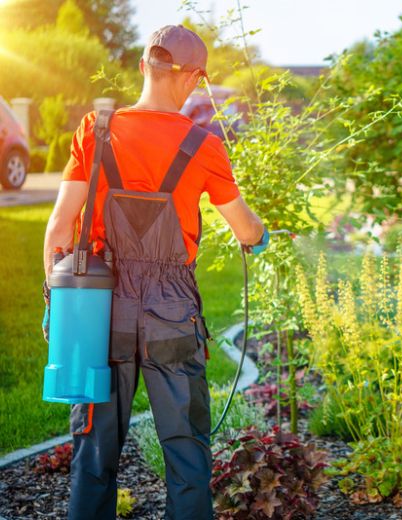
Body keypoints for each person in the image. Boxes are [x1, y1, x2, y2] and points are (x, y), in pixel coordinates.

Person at [42, 25, 267, 520]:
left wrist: (57, 306)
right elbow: (245, 229)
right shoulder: (204, 145)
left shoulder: (94, 130)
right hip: (172, 314)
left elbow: (59, 228)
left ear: (143, 67)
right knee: (187, 455)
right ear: (193, 79)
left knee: (94, 453)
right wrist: (260, 234)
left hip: (103, 313)